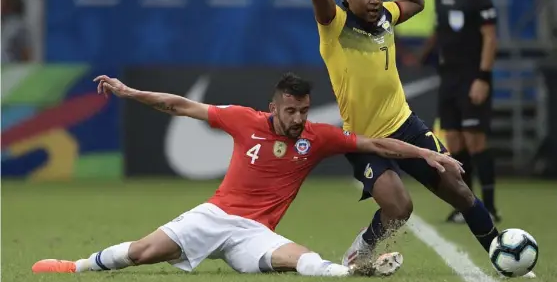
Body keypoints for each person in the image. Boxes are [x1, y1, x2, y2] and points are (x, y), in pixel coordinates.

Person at [31, 72, 462, 277]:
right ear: (274, 107)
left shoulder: (319, 137)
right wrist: (130, 93)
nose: (298, 119)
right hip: (215, 216)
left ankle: (348, 272)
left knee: (298, 259)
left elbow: (379, 144)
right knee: (142, 253)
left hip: (255, 233)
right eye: (291, 110)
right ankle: (75, 266)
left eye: (304, 111)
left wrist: (430, 156)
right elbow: (180, 106)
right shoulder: (243, 119)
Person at [308, 0, 501, 275]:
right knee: (399, 208)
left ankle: (502, 254)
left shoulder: (386, 15)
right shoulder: (334, 25)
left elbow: (417, 2)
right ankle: (361, 249)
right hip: (366, 140)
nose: (373, 0)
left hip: (406, 125)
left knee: (458, 188)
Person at [417, 0, 500, 224]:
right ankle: (468, 205)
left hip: (471, 77)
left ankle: (489, 206)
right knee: (453, 141)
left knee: (475, 140)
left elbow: (490, 38)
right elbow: (441, 34)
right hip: (449, 80)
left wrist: (483, 77)